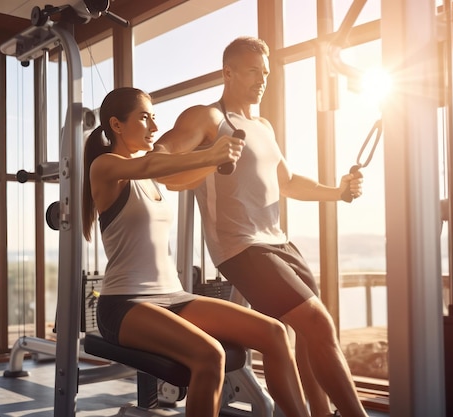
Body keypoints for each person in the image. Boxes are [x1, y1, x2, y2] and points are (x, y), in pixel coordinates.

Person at [156, 37, 368, 417]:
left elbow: (287, 182)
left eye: (265, 72)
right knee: (318, 323)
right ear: (228, 72)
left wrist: (337, 192)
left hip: (279, 243)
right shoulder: (208, 118)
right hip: (240, 247)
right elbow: (163, 157)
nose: (261, 79)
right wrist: (210, 156)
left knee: (307, 335)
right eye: (253, 70)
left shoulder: (263, 126)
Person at [81, 87, 311, 417]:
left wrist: (221, 161)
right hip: (125, 303)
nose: (154, 127)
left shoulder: (153, 177)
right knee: (210, 356)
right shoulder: (105, 167)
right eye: (145, 118)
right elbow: (149, 165)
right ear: (116, 125)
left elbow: (179, 174)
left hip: (173, 297)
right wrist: (212, 154)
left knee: (274, 333)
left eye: (154, 118)